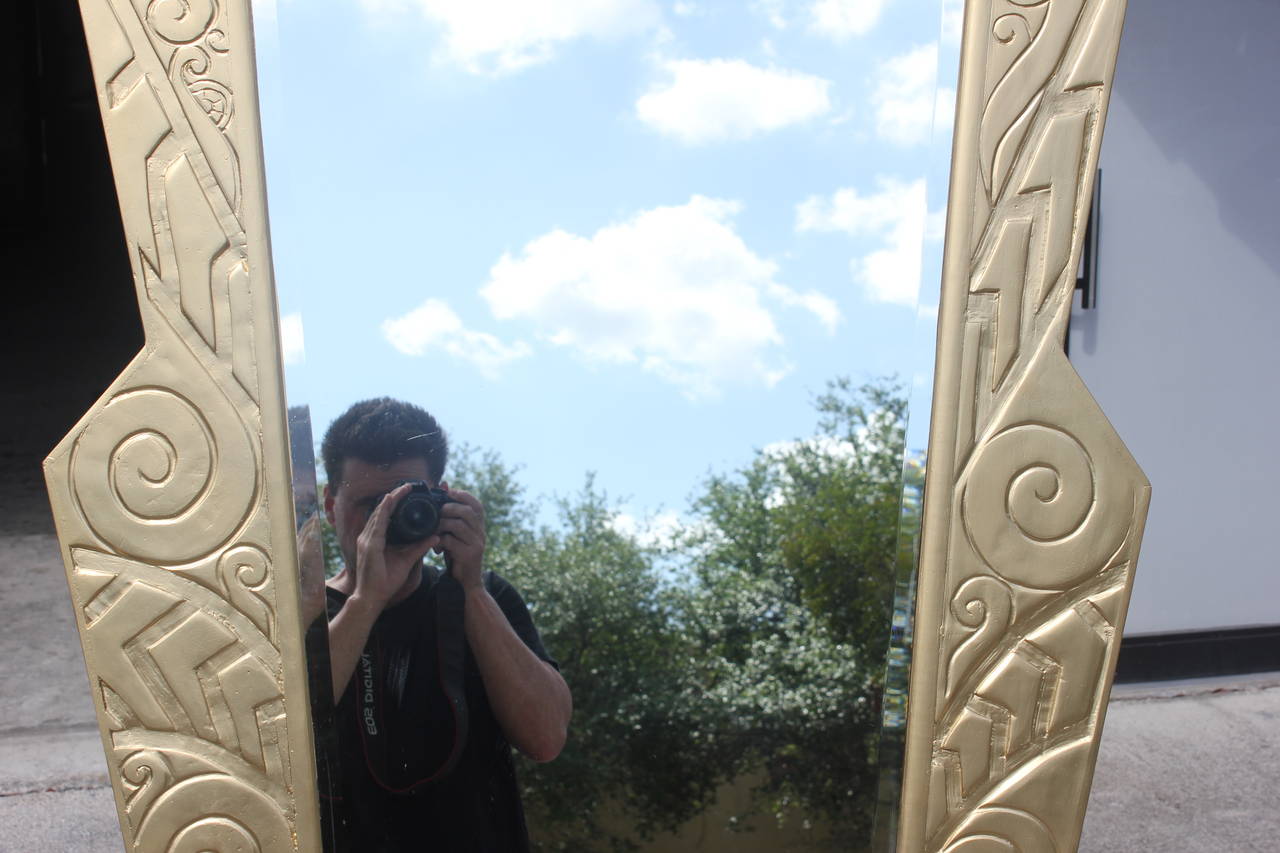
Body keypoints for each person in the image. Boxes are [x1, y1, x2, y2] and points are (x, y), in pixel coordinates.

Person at [320, 397, 571, 852]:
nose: (384, 520)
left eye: (400, 502)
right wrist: (366, 600)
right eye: (367, 504)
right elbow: (277, 735)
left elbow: (546, 737)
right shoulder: (305, 614)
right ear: (330, 503)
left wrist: (470, 588)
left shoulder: (485, 597)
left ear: (442, 498)